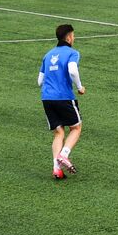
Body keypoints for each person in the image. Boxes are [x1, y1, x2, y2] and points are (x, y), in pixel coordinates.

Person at [39, 23, 86, 180]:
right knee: (76, 128)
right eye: (73, 35)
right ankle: (64, 155)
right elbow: (72, 70)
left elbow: (40, 81)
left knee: (58, 133)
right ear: (69, 37)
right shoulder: (72, 53)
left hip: (47, 98)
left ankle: (56, 169)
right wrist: (79, 87)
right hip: (63, 97)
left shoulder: (48, 55)